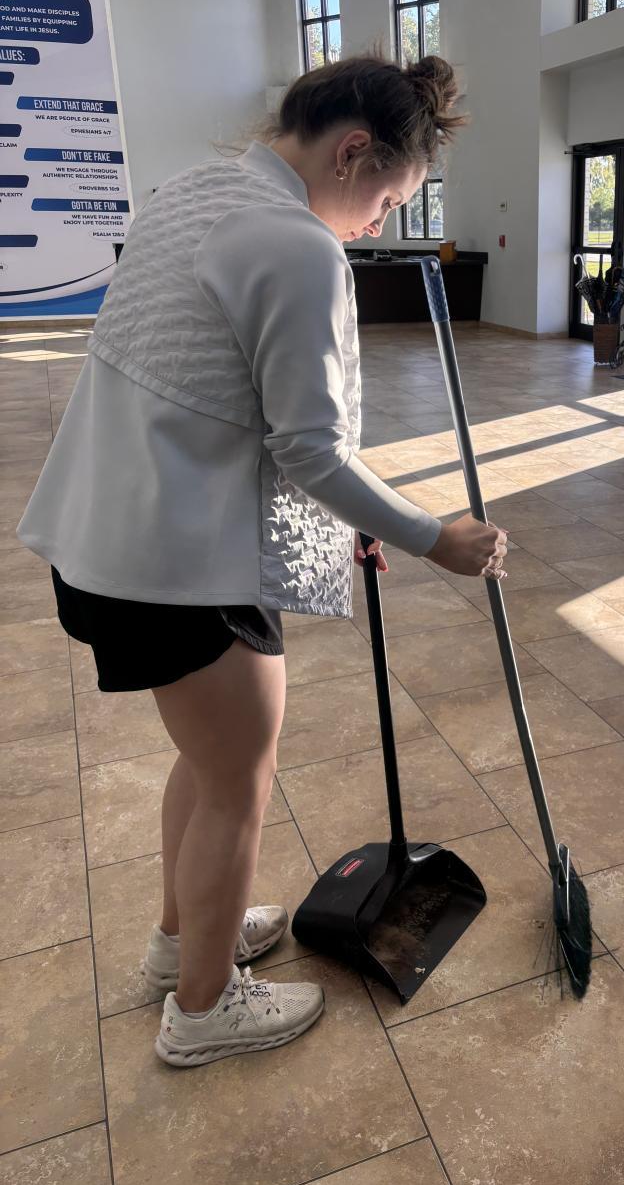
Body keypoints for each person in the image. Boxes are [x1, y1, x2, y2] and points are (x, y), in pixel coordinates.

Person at [16, 52, 508, 1068]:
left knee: (210, 764)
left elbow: (225, 389)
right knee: (238, 780)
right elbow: (312, 449)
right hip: (178, 557)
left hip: (112, 532)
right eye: (386, 199)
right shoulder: (295, 245)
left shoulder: (195, 191)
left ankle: (181, 943)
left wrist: (350, 516)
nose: (374, 222)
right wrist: (435, 536)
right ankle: (202, 1011)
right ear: (353, 150)